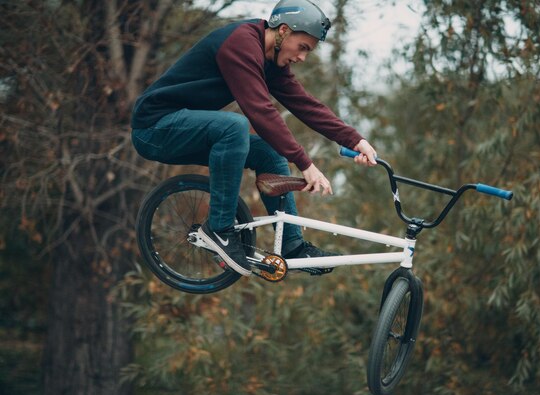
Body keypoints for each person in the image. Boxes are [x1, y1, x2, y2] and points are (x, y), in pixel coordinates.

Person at [130, 0, 377, 277]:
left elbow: (305, 104)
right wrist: (305, 164)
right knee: (234, 126)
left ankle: (292, 244)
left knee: (269, 152)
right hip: (155, 128)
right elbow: (261, 111)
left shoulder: (271, 60)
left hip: (184, 129)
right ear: (284, 31)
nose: (302, 58)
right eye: (303, 48)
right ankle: (220, 229)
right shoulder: (241, 44)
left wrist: (355, 140)